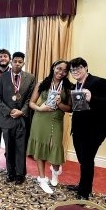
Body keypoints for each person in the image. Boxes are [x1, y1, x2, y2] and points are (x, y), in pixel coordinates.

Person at [26, 60, 72, 194]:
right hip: (40, 119)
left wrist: (60, 104)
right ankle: (41, 178)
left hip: (56, 120)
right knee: (40, 147)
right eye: (59, 68)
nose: (61, 72)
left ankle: (55, 171)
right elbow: (31, 103)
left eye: (64, 70)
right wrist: (40, 108)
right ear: (53, 68)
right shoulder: (42, 83)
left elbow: (70, 109)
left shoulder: (68, 87)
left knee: (55, 146)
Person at [66, 57, 106, 200]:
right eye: (72, 70)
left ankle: (85, 192)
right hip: (78, 129)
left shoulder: (99, 82)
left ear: (86, 68)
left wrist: (92, 98)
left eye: (78, 68)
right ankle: (83, 185)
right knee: (83, 160)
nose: (75, 72)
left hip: (94, 130)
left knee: (87, 160)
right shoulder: (74, 86)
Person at [0, 51, 35, 185]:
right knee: (9, 148)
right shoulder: (2, 77)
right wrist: (9, 111)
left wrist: (21, 112)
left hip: (22, 119)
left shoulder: (30, 78)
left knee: (20, 148)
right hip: (7, 118)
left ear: (23, 63)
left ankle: (20, 174)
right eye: (15, 61)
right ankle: (10, 173)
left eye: (20, 62)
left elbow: (30, 98)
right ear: (11, 62)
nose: (17, 64)